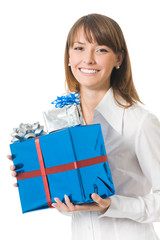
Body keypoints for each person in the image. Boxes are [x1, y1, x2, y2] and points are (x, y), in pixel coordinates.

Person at [9, 13, 160, 240]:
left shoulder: (139, 122)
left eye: (101, 50)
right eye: (79, 48)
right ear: (68, 56)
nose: (88, 59)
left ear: (119, 59)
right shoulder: (59, 121)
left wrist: (111, 205)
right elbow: (72, 201)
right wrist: (40, 178)